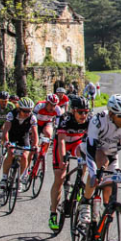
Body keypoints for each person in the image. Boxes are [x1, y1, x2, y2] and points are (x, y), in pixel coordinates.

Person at [78, 94, 121, 240]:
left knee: (110, 189)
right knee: (100, 163)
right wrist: (94, 174)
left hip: (111, 155)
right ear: (111, 114)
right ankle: (85, 202)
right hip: (90, 150)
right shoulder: (98, 121)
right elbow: (90, 150)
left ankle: (101, 236)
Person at [48, 96, 91, 231]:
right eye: (80, 112)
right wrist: (62, 160)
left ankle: (79, 181)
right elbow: (60, 141)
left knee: (85, 157)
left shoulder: (90, 120)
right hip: (63, 144)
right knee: (60, 177)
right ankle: (53, 213)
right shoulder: (65, 119)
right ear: (73, 111)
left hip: (76, 143)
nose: (83, 115)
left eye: (86, 112)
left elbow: (90, 141)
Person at [0, 97, 38, 188]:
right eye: (25, 111)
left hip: (24, 137)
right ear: (19, 109)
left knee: (25, 156)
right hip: (12, 136)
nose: (27, 113)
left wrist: (35, 145)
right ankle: (4, 178)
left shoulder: (32, 117)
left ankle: (19, 179)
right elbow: (6, 131)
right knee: (11, 153)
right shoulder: (11, 114)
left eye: (29, 111)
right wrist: (6, 142)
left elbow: (35, 134)